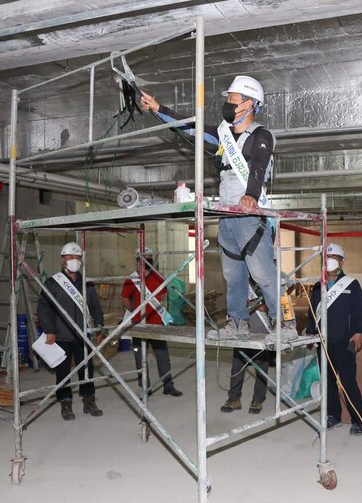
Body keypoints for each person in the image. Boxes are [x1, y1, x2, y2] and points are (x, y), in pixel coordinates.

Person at [140, 76, 297, 343]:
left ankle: (286, 324)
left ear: (249, 104)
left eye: (232, 99)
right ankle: (237, 322)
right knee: (233, 276)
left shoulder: (261, 136)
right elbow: (191, 127)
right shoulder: (223, 134)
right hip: (228, 217)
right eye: (228, 99)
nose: (227, 103)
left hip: (250, 215)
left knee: (264, 275)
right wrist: (159, 109)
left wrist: (250, 195)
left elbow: (258, 167)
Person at [37, 242, 105, 420]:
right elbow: (44, 309)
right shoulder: (53, 282)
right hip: (61, 335)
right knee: (63, 371)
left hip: (84, 334)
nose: (74, 260)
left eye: (77, 257)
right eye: (70, 257)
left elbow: (95, 306)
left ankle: (89, 400)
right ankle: (65, 403)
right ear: (62, 260)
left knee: (87, 369)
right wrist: (50, 330)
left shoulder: (86, 283)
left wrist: (99, 325)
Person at [305, 243, 362, 436]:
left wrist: (359, 332)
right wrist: (310, 332)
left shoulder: (351, 284)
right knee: (328, 381)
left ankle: (358, 419)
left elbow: (359, 311)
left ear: (342, 261)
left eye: (335, 258)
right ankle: (334, 415)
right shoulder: (317, 286)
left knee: (348, 381)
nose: (330, 261)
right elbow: (312, 311)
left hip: (344, 341)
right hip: (323, 342)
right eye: (327, 258)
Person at [121, 246, 182, 397]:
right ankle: (145, 387)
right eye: (142, 259)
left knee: (162, 355)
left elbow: (162, 298)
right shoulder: (131, 280)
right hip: (138, 326)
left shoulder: (158, 278)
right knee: (139, 357)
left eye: (148, 259)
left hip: (156, 325)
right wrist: (136, 312)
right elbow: (125, 299)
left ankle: (168, 385)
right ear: (137, 261)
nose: (146, 262)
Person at [220, 286, 273, 414]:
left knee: (261, 367)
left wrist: (253, 305)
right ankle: (234, 398)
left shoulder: (266, 281)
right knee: (237, 366)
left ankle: (258, 400)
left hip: (261, 332)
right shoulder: (242, 282)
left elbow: (270, 306)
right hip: (242, 331)